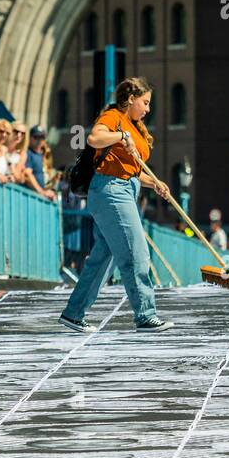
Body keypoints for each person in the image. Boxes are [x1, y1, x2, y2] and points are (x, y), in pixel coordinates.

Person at [59, 77, 173, 332]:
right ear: (131, 99)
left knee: (103, 257)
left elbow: (130, 171)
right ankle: (145, 315)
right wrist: (120, 135)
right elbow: (94, 138)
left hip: (123, 188)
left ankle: (73, 313)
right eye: (145, 102)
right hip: (111, 191)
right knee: (135, 252)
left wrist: (153, 183)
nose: (147, 109)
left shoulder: (136, 126)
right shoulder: (114, 117)